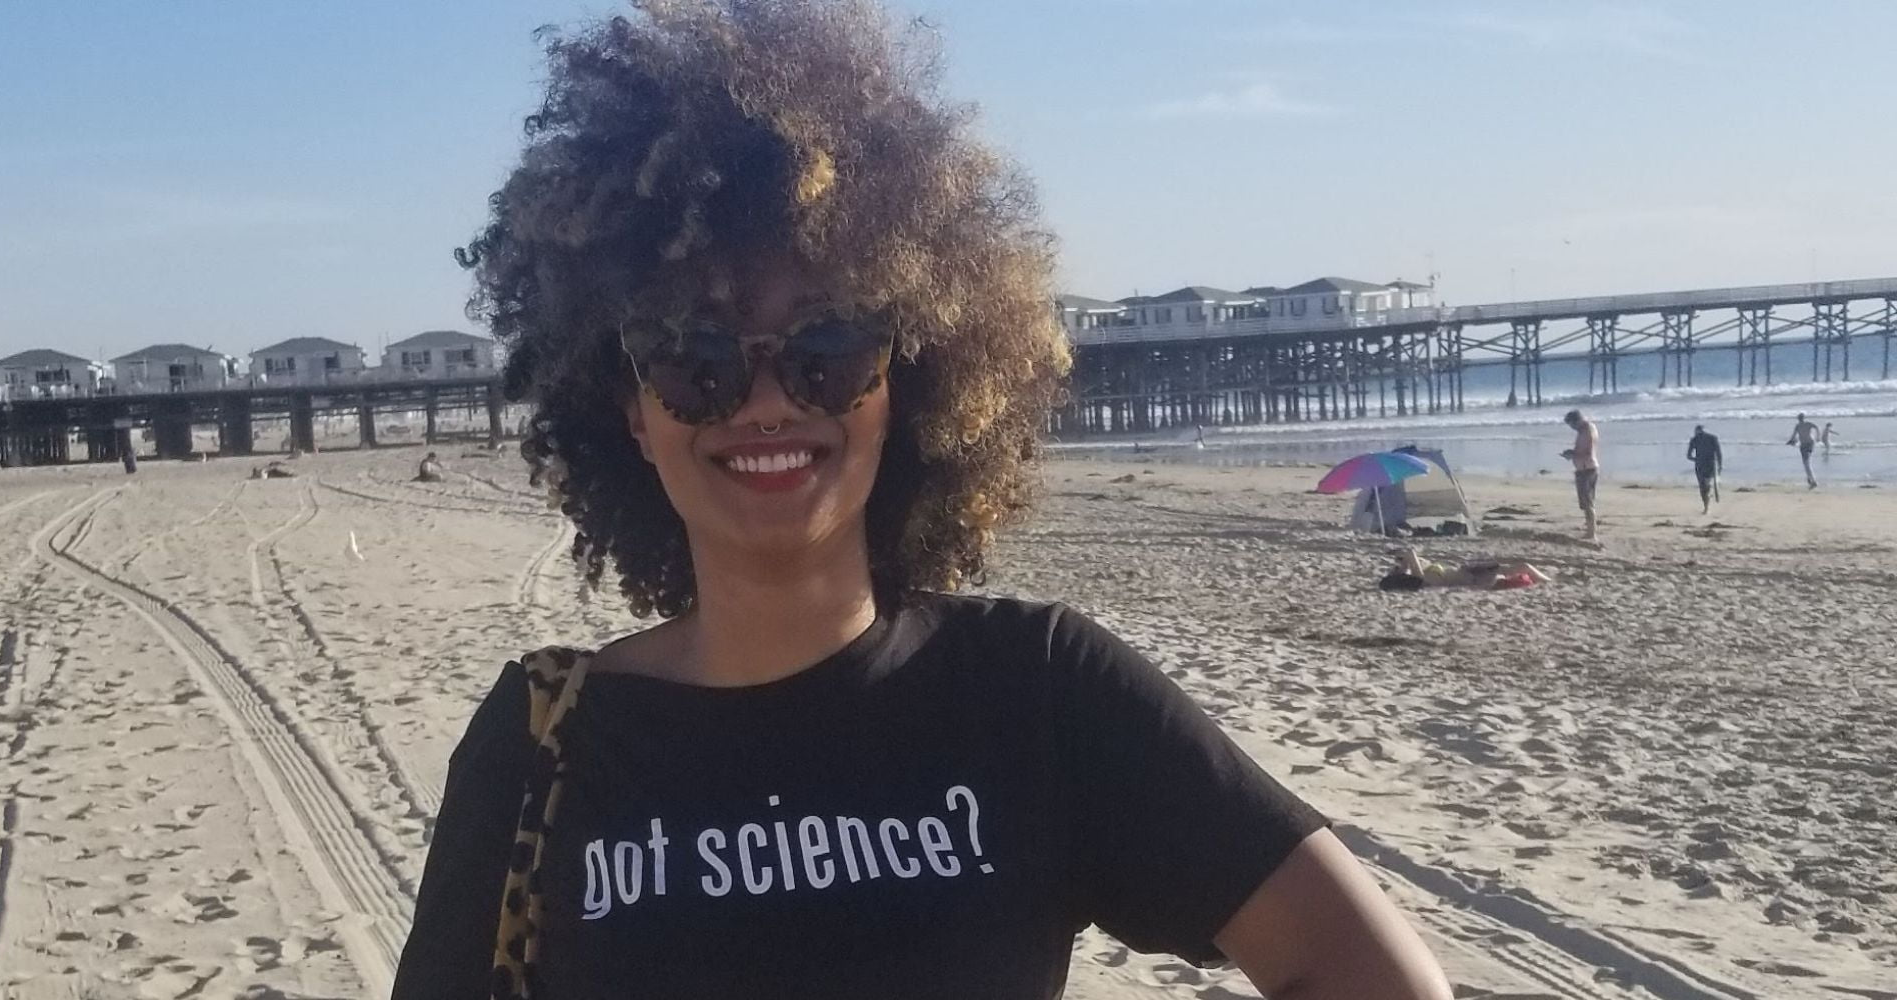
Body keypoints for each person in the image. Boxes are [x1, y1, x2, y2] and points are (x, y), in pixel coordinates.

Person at [392, 4, 1451, 999]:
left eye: (827, 346)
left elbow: (1373, 974)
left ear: (907, 380)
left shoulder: (1038, 694)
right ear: (629, 408)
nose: (764, 401)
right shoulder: (540, 744)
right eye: (693, 354)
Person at [1380, 547, 1552, 591]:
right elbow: (1413, 561)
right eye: (1395, 571)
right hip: (1475, 577)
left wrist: (1402, 561)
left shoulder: (1422, 571)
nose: (1396, 569)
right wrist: (1409, 557)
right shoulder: (1423, 580)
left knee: (1521, 569)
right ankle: (1548, 583)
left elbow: (1412, 562)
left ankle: (1545, 582)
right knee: (1524, 567)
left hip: (1471, 571)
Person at [1561, 409, 1599, 542]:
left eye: (1572, 425)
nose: (1572, 428)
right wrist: (1573, 453)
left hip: (1586, 468)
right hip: (1588, 467)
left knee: (1587, 502)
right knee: (1587, 502)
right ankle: (1589, 527)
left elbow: (1587, 452)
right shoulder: (1587, 429)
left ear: (1577, 421)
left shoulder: (1586, 431)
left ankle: (1591, 532)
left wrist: (1573, 455)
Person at [1685, 424, 1723, 514]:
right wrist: (1720, 465)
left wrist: (1696, 459)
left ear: (1696, 431)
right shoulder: (1713, 438)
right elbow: (1718, 453)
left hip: (1700, 465)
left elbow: (1688, 456)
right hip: (1711, 464)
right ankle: (1710, 492)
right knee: (1708, 483)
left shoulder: (1694, 440)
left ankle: (1706, 507)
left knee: (1702, 487)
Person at [1787, 413, 1819, 488]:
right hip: (1803, 445)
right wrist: (1791, 441)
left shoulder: (1808, 424)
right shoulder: (1798, 426)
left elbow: (1816, 427)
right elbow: (1794, 435)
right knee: (1806, 463)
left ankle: (1813, 481)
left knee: (1807, 463)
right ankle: (1810, 478)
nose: (1800, 419)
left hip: (1809, 443)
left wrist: (1818, 437)